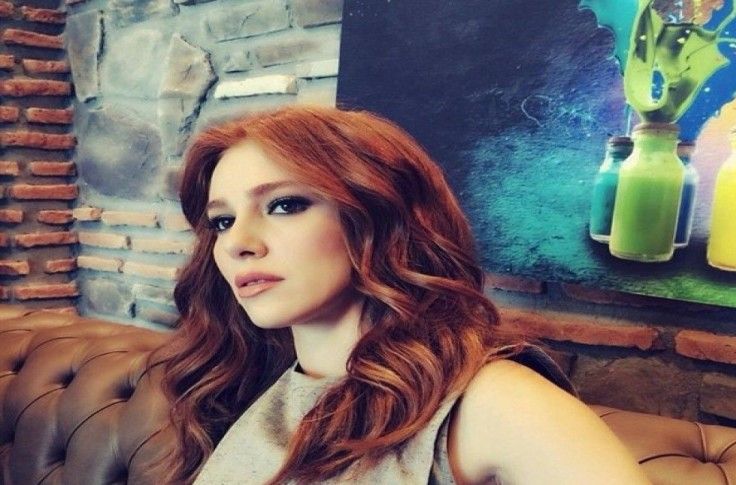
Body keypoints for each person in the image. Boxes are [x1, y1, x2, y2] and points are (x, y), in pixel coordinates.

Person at [159, 105, 651, 484]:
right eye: (222, 221)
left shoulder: (492, 402)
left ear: (381, 216)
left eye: (285, 205)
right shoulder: (245, 381)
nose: (238, 243)